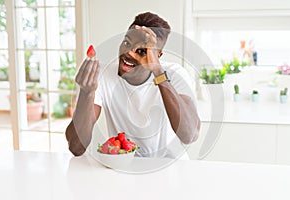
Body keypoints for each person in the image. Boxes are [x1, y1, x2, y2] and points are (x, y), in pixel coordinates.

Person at [66, 12, 200, 158]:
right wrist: (87, 93)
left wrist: (157, 71)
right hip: (126, 166)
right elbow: (76, 147)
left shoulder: (175, 74)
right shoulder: (102, 75)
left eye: (142, 51)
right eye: (127, 43)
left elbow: (189, 135)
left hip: (172, 170)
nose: (129, 53)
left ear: (157, 56)